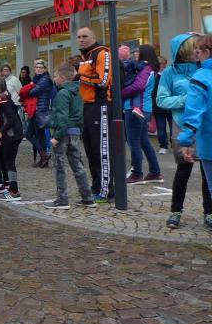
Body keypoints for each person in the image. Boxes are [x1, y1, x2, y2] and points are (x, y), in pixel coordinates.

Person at [159, 33, 210, 229]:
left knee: (207, 171)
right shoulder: (169, 73)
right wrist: (188, 100)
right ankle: (175, 211)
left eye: (200, 48)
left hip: (204, 127)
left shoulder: (204, 69)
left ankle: (209, 212)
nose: (197, 51)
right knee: (183, 170)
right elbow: (161, 100)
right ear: (183, 50)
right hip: (181, 125)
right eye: (194, 47)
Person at [43, 64, 96, 210]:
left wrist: (56, 136)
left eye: (55, 76)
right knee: (78, 165)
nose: (54, 79)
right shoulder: (78, 93)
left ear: (62, 78)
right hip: (75, 133)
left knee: (59, 166)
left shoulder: (62, 94)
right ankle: (87, 197)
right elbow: (79, 116)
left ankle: (62, 200)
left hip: (64, 133)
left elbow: (62, 117)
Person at [76, 27, 114, 203]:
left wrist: (78, 77)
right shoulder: (84, 57)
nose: (81, 39)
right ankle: (96, 185)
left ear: (93, 37)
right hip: (86, 107)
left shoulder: (102, 53)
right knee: (90, 151)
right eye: (79, 37)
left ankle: (106, 190)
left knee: (102, 150)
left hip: (101, 106)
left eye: (85, 36)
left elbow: (103, 81)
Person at [178, 34, 212, 216]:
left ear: (207, 52)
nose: (197, 52)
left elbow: (194, 112)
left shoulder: (201, 77)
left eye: (200, 49)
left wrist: (185, 141)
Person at [122, 44, 163, 184]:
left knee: (133, 141)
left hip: (136, 109)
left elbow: (138, 86)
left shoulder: (145, 68)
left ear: (144, 54)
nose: (135, 54)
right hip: (143, 108)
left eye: (138, 52)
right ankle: (155, 172)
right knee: (144, 141)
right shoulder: (149, 68)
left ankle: (137, 173)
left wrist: (120, 92)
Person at [0, 76, 24, 201]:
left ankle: (14, 191)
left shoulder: (4, 102)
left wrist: (1, 132)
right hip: (11, 135)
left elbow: (11, 119)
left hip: (12, 136)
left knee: (9, 162)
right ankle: (10, 187)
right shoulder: (4, 98)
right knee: (6, 160)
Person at [28, 60, 55, 168]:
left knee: (32, 134)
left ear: (45, 69)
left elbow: (33, 92)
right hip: (36, 109)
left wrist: (29, 87)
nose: (38, 69)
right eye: (37, 67)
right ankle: (44, 157)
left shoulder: (44, 80)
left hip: (40, 110)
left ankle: (44, 156)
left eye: (41, 67)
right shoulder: (37, 79)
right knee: (38, 135)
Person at [148, 56, 172, 154]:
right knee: (161, 128)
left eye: (163, 64)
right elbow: (152, 91)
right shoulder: (154, 76)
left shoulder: (170, 74)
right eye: (160, 64)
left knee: (173, 128)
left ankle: (173, 144)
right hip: (158, 106)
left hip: (170, 105)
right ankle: (163, 146)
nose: (162, 66)